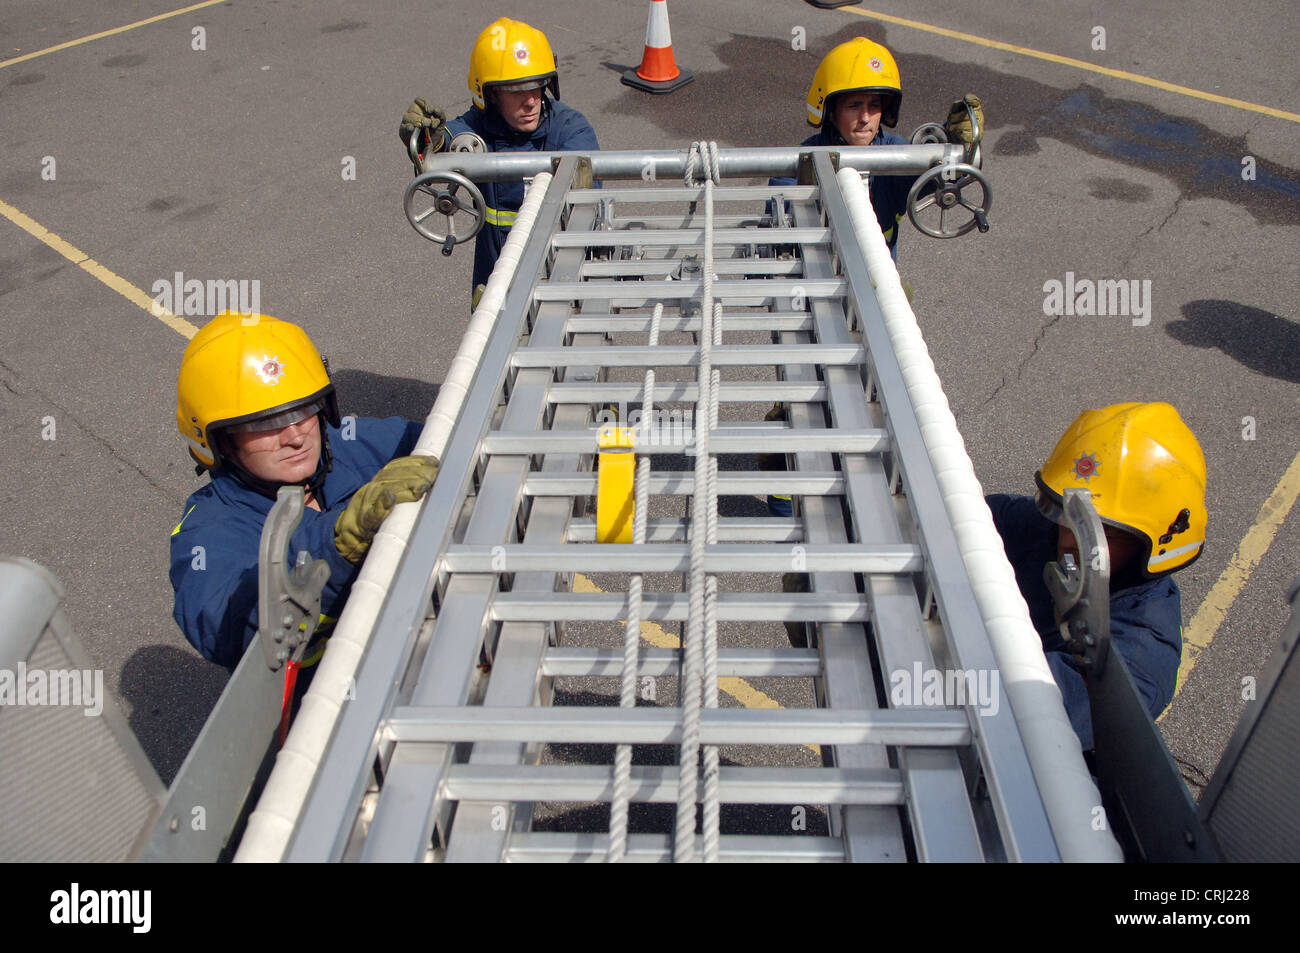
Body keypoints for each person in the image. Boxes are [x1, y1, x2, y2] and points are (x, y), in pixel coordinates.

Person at [765, 37, 984, 518]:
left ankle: (864, 486)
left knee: (880, 388)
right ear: (829, 109)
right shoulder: (796, 167)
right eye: (854, 106)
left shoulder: (898, 154)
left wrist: (958, 157)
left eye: (875, 106)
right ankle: (785, 489)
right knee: (806, 393)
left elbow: (941, 187)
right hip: (815, 292)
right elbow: (780, 232)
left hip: (877, 287)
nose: (866, 118)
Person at [170, 312, 439, 672]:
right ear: (218, 442)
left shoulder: (345, 444)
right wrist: (336, 544)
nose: (295, 436)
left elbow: (446, 436)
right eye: (265, 423)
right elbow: (222, 623)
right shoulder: (206, 533)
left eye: (304, 409)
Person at [986, 401, 1208, 750]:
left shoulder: (1138, 659)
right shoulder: (1052, 531)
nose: (1071, 540)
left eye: (1107, 533)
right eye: (1067, 515)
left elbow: (1014, 711)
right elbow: (975, 516)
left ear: (1151, 545)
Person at [398, 17, 599, 302]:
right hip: (499, 289)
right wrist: (430, 138)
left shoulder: (572, 130)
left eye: (536, 87)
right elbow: (447, 144)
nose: (530, 101)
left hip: (565, 282)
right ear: (490, 95)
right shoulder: (479, 128)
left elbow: (587, 189)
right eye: (516, 91)